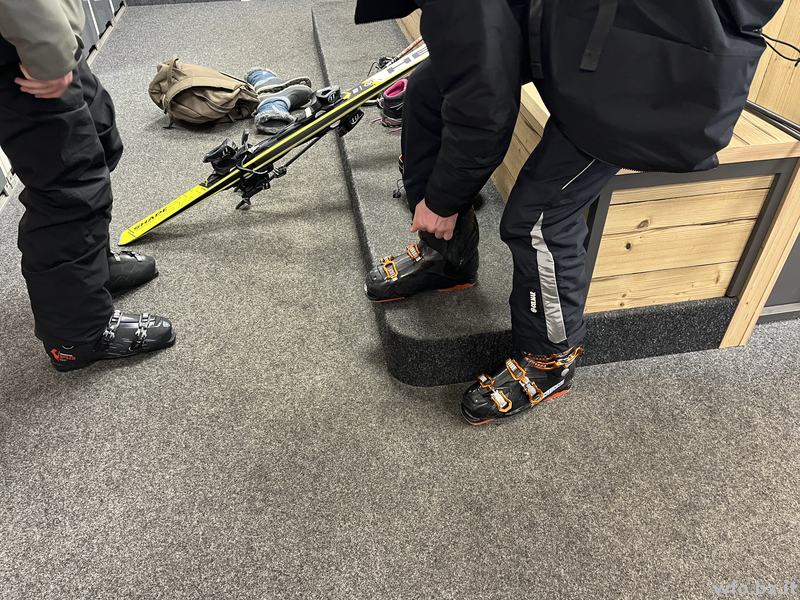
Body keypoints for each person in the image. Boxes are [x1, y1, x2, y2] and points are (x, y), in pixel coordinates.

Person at [356, 0, 783, 424]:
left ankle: (550, 360)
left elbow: (484, 111)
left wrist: (442, 202)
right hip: (583, 28)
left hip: (656, 72)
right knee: (428, 89)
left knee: (537, 218)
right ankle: (448, 256)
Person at [0, 0, 175, 372]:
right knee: (68, 186)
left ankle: (90, 269)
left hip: (49, 30)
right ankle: (76, 335)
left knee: (100, 135)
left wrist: (60, 41)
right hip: (20, 41)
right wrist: (47, 56)